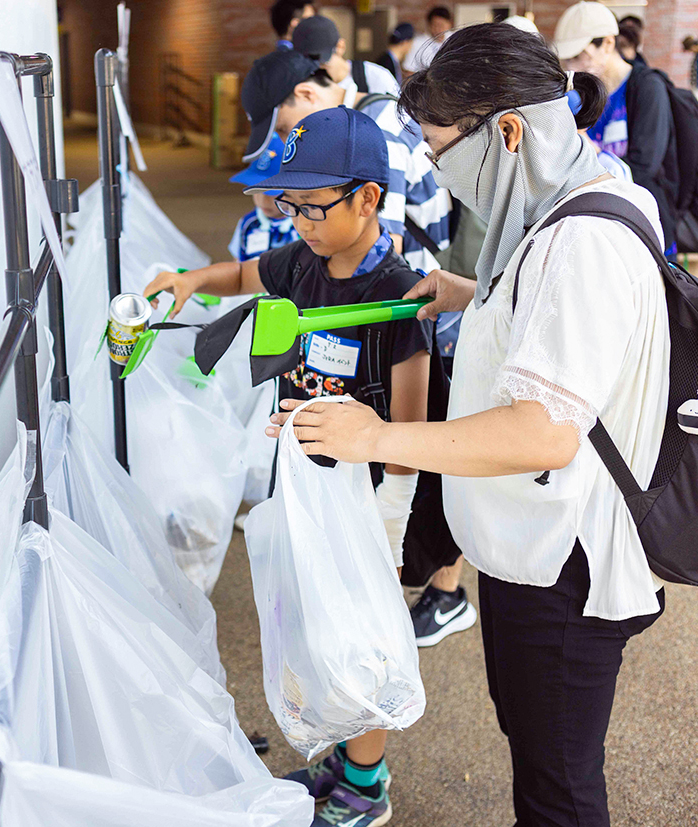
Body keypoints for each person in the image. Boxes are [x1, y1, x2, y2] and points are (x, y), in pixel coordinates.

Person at [271, 22, 669, 827]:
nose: (436, 169)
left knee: (557, 787)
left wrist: (374, 437)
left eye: (441, 148)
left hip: (570, 567)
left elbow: (543, 430)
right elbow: (553, 330)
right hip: (533, 548)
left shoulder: (582, 241)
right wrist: (465, 290)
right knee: (535, 740)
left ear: (510, 132)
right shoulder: (566, 197)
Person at [144, 104, 432, 827]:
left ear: (368, 198)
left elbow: (412, 417)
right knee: (312, 622)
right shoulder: (303, 260)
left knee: (360, 635)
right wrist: (190, 280)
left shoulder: (395, 293)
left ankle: (366, 781)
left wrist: (394, 509)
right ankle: (339, 753)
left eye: (312, 206)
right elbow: (246, 271)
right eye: (289, 205)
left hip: (366, 498)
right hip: (304, 479)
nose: (298, 221)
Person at [241, 49, 451, 273]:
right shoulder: (368, 114)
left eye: (283, 129)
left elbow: (385, 248)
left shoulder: (378, 133)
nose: (285, 142)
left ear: (306, 94)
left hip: (409, 290)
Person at [556, 1, 678, 252]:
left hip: (640, 229)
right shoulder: (582, 93)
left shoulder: (647, 88)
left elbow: (645, 167)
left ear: (609, 44)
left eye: (579, 56)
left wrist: (595, 153)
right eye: (566, 59)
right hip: (594, 226)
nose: (571, 67)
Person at [227, 134, 300, 261]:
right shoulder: (247, 223)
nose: (261, 200)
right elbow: (237, 263)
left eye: (270, 193)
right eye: (255, 190)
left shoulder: (303, 225)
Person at [292, 15, 400, 97]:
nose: (316, 69)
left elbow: (400, 121)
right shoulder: (301, 86)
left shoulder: (375, 78)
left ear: (340, 47)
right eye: (307, 63)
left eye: (320, 61)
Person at [403, 6, 454, 77]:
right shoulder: (418, 42)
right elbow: (409, 71)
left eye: (441, 25)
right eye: (435, 25)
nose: (438, 29)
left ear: (449, 24)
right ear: (429, 25)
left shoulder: (454, 39)